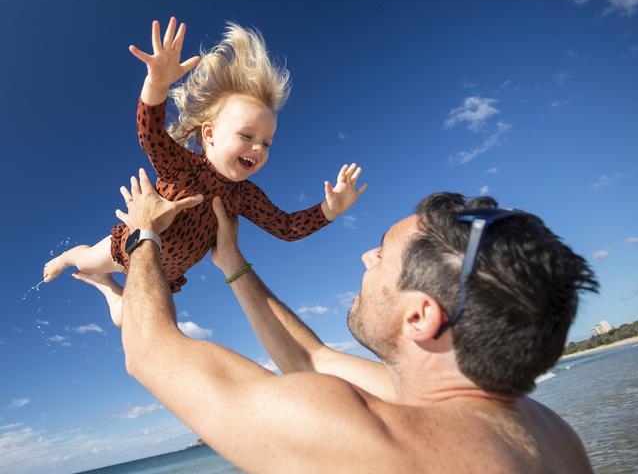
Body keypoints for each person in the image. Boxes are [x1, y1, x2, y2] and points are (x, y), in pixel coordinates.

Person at [92, 169, 597, 473]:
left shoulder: (364, 439)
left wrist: (143, 238)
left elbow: (149, 352)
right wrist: (232, 264)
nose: (365, 257)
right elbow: (311, 359)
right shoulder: (552, 436)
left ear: (421, 315)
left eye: (383, 256)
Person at [43, 17, 366, 324]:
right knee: (85, 262)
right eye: (247, 136)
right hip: (130, 246)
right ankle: (69, 257)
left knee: (126, 320)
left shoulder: (245, 196)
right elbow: (150, 134)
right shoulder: (182, 166)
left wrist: (329, 210)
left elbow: (285, 227)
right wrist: (156, 83)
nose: (259, 149)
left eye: (267, 143)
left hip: (164, 272)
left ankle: (103, 285)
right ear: (209, 134)